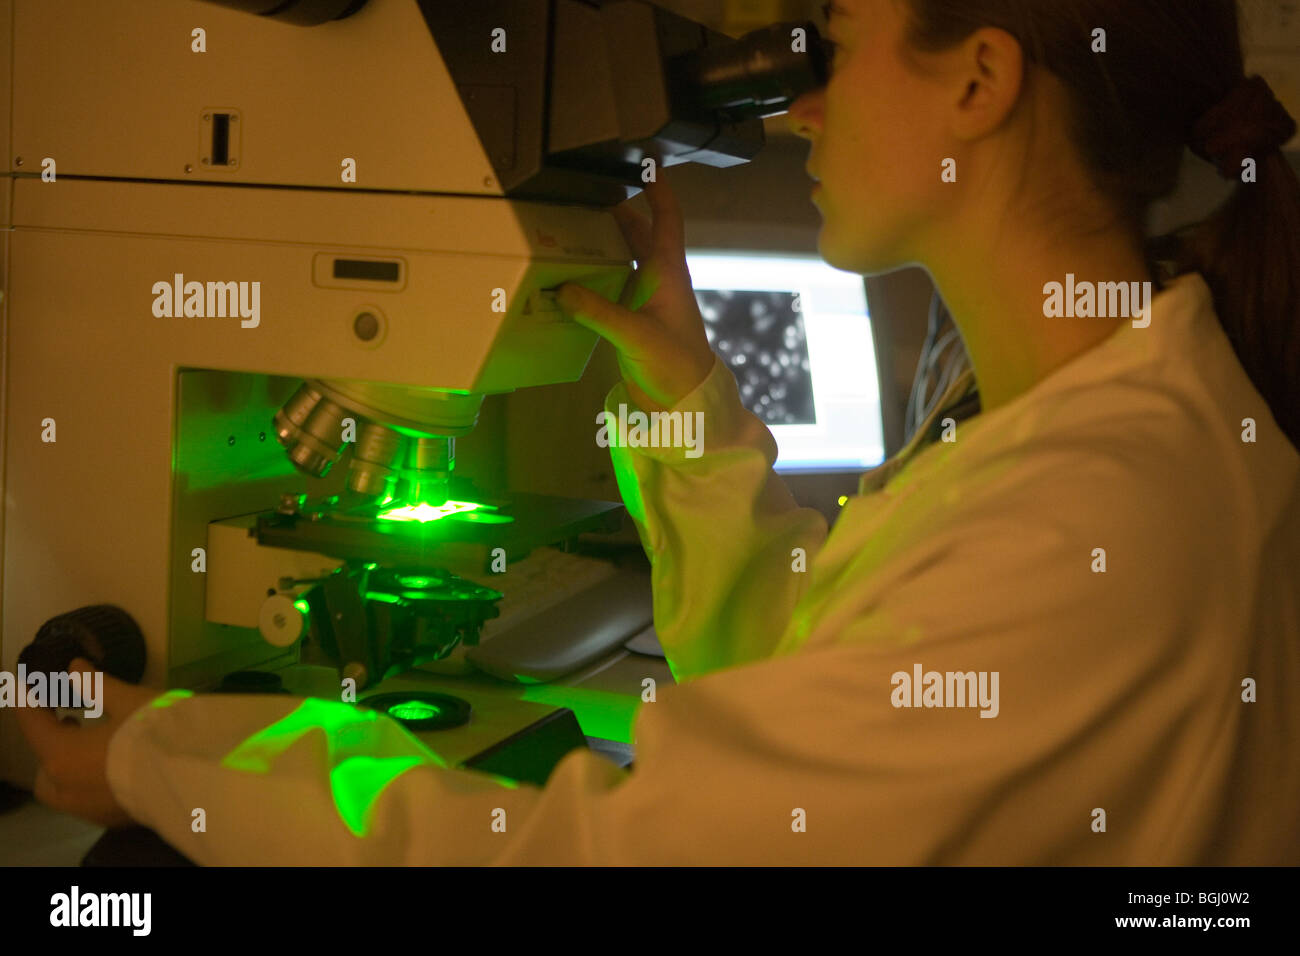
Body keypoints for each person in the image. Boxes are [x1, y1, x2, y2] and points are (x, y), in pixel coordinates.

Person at [20, 0, 1300, 864]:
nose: (797, 109)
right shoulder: (1096, 429)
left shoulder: (1093, 521)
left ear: (979, 81)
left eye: (833, 47)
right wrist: (687, 398)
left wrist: (169, 758)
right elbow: (822, 676)